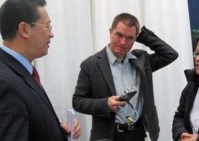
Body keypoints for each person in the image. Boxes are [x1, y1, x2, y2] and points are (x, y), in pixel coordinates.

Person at [72, 13, 178, 141]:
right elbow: (77, 101)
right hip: (107, 136)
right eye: (119, 35)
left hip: (137, 134)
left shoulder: (141, 61)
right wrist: (105, 104)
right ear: (110, 31)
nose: (123, 42)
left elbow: (170, 54)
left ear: (135, 38)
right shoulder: (91, 64)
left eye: (130, 38)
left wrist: (143, 36)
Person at [0, 0, 81, 141]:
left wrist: (59, 131)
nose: (51, 34)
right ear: (24, 29)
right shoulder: (1, 83)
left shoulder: (21, 73)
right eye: (47, 26)